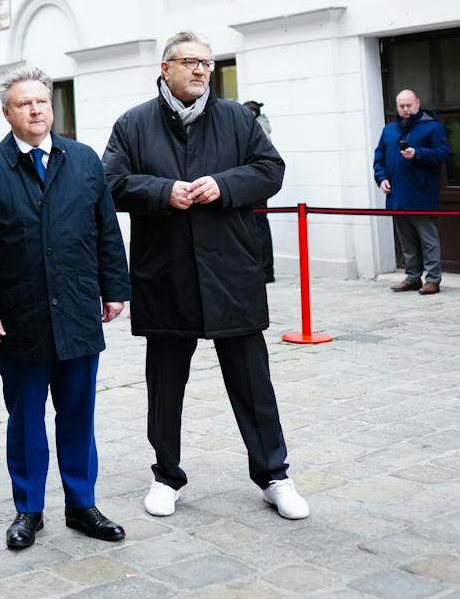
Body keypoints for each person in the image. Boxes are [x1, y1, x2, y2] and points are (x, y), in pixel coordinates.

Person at [103, 32, 310, 522]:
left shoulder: (237, 117)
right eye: (190, 62)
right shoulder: (134, 124)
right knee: (165, 384)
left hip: (229, 272)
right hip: (167, 274)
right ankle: (166, 475)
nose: (200, 71)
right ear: (165, 67)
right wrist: (160, 192)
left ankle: (274, 475)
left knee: (252, 382)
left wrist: (223, 184)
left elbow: (270, 170)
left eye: (207, 63)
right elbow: (108, 184)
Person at [0, 66, 130, 550]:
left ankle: (82, 504)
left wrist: (114, 287)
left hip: (77, 309)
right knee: (26, 418)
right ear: (6, 113)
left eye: (42, 102)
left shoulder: (82, 160)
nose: (35, 110)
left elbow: (105, 230)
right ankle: (28, 509)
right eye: (24, 104)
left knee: (78, 414)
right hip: (20, 317)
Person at [373, 89, 452, 295]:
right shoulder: (389, 130)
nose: (406, 109)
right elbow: (379, 157)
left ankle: (433, 279)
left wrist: (418, 153)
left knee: (428, 240)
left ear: (418, 103)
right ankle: (413, 276)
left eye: (409, 105)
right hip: (396, 194)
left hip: (421, 193)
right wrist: (381, 179)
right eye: (401, 106)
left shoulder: (432, 127)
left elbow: (443, 153)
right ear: (397, 107)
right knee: (406, 240)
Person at [242, 101, 276, 285]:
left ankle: (266, 271)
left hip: (257, 186)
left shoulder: (259, 128)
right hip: (253, 184)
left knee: (260, 227)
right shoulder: (257, 125)